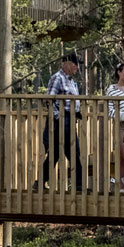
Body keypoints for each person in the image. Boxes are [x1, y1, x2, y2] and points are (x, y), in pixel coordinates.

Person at [40, 52, 85, 189]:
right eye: (76, 65)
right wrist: (57, 117)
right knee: (57, 152)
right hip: (60, 120)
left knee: (72, 152)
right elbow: (49, 99)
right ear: (68, 64)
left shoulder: (70, 80)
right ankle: (78, 185)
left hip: (70, 120)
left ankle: (78, 185)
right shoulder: (58, 78)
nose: (77, 68)